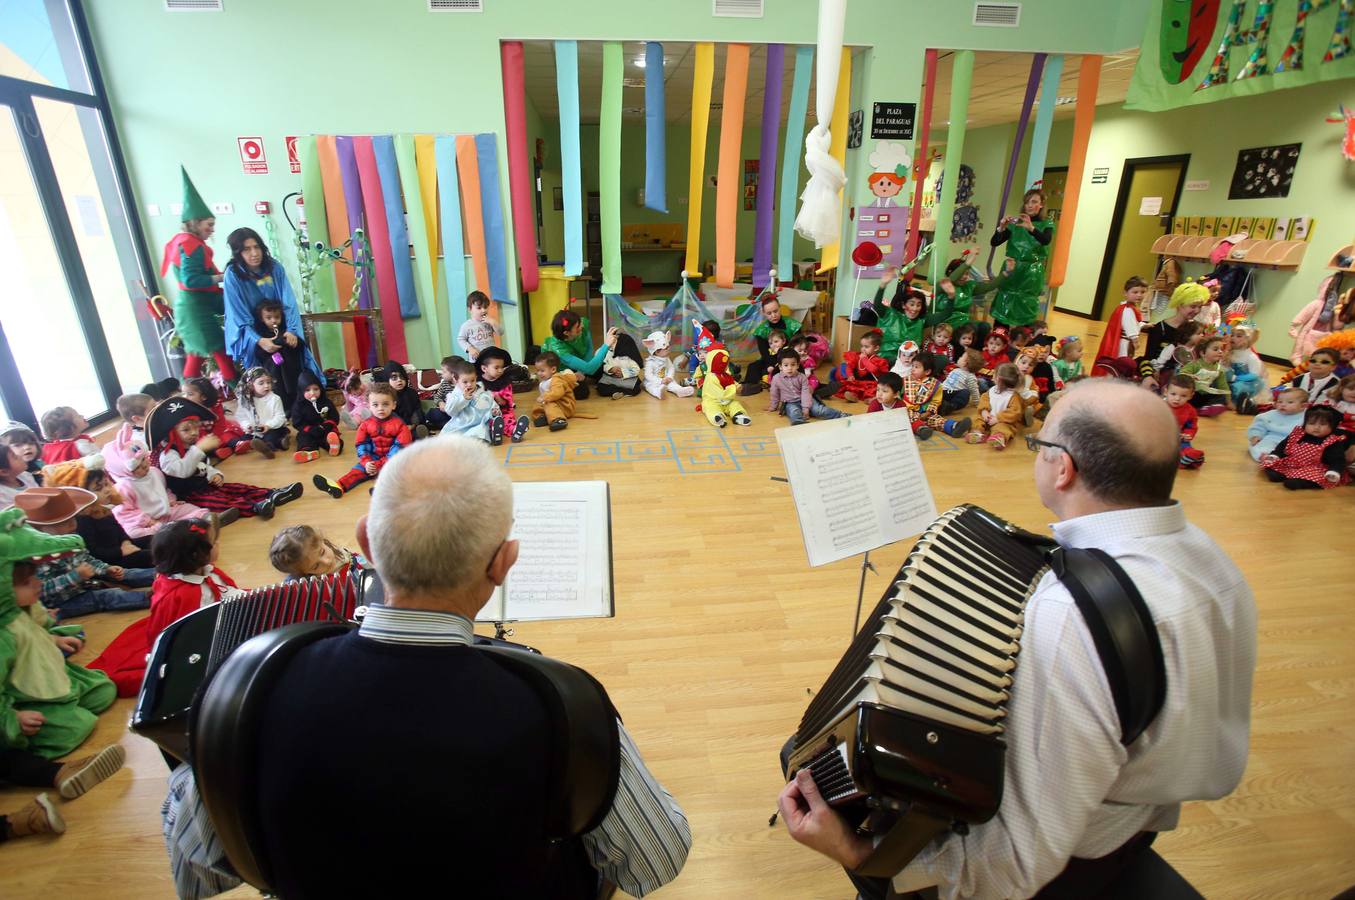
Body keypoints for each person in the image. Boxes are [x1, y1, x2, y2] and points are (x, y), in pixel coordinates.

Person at [779, 378, 1257, 899]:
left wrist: (862, 858)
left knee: (799, 761)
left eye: (1040, 445)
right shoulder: (1213, 561)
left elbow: (1018, 861)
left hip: (1074, 856)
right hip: (1138, 811)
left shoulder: (1067, 617)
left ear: (1063, 467)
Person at [161, 436, 691, 898]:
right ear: (502, 563)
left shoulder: (245, 689)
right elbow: (656, 862)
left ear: (366, 541)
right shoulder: (566, 705)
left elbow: (201, 871)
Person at [87, 518, 240, 697]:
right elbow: (184, 637)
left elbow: (226, 592)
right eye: (213, 543)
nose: (218, 544)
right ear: (196, 555)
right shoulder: (181, 595)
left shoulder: (206, 571)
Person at [0, 536, 119, 760]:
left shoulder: (23, 608)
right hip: (32, 694)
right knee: (76, 728)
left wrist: (54, 640)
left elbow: (36, 632)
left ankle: (69, 702)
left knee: (104, 690)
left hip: (54, 674)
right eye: (27, 583)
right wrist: (13, 717)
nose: (37, 584)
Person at [147, 398, 300, 520]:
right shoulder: (168, 455)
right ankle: (255, 506)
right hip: (191, 496)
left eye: (195, 428)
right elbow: (183, 470)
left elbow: (204, 466)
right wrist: (199, 449)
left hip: (207, 486)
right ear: (171, 433)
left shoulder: (192, 447)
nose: (194, 433)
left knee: (237, 488)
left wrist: (215, 474)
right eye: (186, 429)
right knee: (220, 502)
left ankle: (272, 494)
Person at [18, 488, 154, 621]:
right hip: (62, 602)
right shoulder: (35, 557)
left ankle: (165, 575)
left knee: (127, 573)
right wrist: (74, 576)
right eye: (65, 522)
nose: (73, 524)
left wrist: (106, 569)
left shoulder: (71, 538)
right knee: (107, 596)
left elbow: (86, 559)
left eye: (73, 519)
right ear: (41, 530)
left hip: (83, 583)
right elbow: (42, 591)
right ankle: (151, 598)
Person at [160, 168, 236, 381]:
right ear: (195, 222)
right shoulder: (191, 245)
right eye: (209, 225)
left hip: (194, 306)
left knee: (197, 353)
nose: (212, 229)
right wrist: (222, 278)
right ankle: (237, 391)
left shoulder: (186, 243)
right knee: (218, 349)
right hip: (195, 308)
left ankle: (189, 392)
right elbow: (191, 280)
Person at [222, 226, 320, 386]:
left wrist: (291, 330)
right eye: (247, 249)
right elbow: (237, 316)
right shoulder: (232, 275)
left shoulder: (274, 268)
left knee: (297, 370)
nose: (254, 253)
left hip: (281, 327)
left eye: (257, 247)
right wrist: (258, 340)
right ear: (238, 253)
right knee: (264, 380)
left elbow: (289, 303)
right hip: (255, 335)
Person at [313, 383, 412, 499]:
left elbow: (399, 449)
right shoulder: (365, 425)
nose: (380, 408)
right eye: (375, 404)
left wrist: (380, 464)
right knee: (356, 471)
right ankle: (338, 486)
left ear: (393, 405)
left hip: (393, 461)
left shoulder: (400, 426)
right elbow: (361, 445)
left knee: (398, 474)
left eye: (385, 404)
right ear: (369, 406)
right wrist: (367, 462)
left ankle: (382, 490)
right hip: (372, 459)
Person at [988, 189, 1054, 330]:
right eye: (1027, 202)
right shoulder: (1015, 224)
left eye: (1034, 202)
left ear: (1041, 205)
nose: (1029, 205)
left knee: (1026, 304)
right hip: (1012, 268)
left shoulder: (1047, 224)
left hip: (1031, 272)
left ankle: (1022, 343)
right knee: (1004, 302)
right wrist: (1001, 228)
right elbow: (994, 242)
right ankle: (998, 338)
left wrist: (1031, 228)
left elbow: (1046, 240)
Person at [1261, 404, 1348, 490]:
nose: (1316, 427)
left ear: (1332, 426)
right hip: (1292, 463)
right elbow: (1283, 446)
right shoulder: (1298, 434)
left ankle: (1302, 482)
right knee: (1273, 464)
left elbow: (1338, 460)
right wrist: (1276, 454)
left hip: (1315, 468)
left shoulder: (1332, 441)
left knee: (1316, 476)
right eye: (1311, 423)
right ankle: (1280, 475)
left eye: (1323, 424)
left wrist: (1334, 470)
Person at [541, 309, 620, 398]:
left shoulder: (581, 323)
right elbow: (590, 368)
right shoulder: (559, 349)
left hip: (580, 362)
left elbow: (589, 350)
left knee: (604, 371)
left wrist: (582, 371)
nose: (581, 326)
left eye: (580, 323)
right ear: (567, 333)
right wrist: (606, 345)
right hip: (563, 370)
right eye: (578, 327)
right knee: (582, 392)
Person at [182, 378, 261, 460]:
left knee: (227, 436)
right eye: (184, 394)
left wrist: (216, 437)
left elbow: (221, 424)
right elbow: (192, 429)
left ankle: (238, 444)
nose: (185, 397)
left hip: (219, 431)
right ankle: (221, 451)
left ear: (204, 397)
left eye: (190, 394)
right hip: (200, 436)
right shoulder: (188, 410)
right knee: (203, 446)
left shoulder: (215, 406)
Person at [742, 294, 803, 395]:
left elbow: (798, 347)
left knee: (797, 369)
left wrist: (785, 363)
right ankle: (752, 386)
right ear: (763, 313)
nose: (773, 315)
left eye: (776, 311)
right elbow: (764, 353)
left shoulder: (793, 325)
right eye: (769, 313)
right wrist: (775, 364)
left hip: (791, 359)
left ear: (780, 308)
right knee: (753, 367)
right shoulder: (761, 330)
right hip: (771, 359)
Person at [767, 350, 847, 426]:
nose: (790, 368)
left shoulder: (802, 377)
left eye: (793, 364)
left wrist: (806, 408)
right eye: (786, 365)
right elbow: (774, 393)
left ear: (798, 365)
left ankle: (840, 415)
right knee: (794, 412)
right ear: (780, 367)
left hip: (806, 399)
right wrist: (773, 406)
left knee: (818, 410)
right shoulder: (776, 378)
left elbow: (806, 393)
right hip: (789, 402)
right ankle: (799, 422)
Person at [903, 354, 970, 439]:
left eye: (916, 367)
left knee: (936, 419)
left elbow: (935, 401)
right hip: (909, 411)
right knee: (911, 418)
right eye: (912, 366)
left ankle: (954, 427)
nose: (912, 369)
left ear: (927, 371)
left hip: (925, 412)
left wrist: (928, 413)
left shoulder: (935, 384)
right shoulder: (905, 380)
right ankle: (921, 429)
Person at [439, 358, 506, 445]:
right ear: (456, 380)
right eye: (465, 382)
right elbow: (450, 411)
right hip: (460, 425)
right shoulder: (454, 395)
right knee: (448, 439)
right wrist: (464, 398)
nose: (469, 384)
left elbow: (490, 405)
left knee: (479, 433)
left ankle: (493, 434)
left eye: (472, 380)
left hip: (478, 424)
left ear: (476, 378)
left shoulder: (482, 392)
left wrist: (495, 412)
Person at [1093, 276, 1149, 378]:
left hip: (1125, 341)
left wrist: (1143, 324)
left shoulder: (1127, 307)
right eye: (1135, 292)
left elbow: (1134, 323)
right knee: (1123, 360)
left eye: (1142, 292)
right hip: (1125, 343)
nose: (1139, 295)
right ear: (1125, 293)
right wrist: (1135, 340)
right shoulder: (1128, 310)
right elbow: (1130, 327)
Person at [267, 524, 362, 581]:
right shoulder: (305, 587)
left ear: (322, 540)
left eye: (322, 552)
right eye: (315, 566)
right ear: (302, 573)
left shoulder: (347, 557)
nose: (327, 561)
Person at [475, 347, 530, 442]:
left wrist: (496, 397)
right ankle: (493, 433)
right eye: (496, 367)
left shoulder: (505, 382)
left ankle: (515, 430)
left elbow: (506, 404)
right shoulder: (477, 382)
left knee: (507, 420)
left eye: (502, 367)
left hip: (502, 411)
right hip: (483, 411)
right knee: (482, 422)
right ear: (484, 368)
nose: (500, 370)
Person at [966, 362, 1024, 451]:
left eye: (994, 373)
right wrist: (984, 411)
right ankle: (977, 433)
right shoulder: (993, 390)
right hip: (988, 418)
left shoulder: (1013, 396)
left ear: (999, 379)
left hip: (1003, 421)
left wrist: (998, 418)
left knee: (1003, 427)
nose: (992, 375)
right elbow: (984, 399)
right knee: (976, 418)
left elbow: (1015, 412)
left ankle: (999, 438)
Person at [234, 368, 291, 455]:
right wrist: (247, 426)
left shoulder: (275, 398)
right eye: (261, 383)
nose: (266, 386)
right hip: (255, 432)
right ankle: (254, 445)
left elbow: (280, 417)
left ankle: (273, 446)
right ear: (251, 385)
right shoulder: (245, 400)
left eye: (268, 382)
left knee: (271, 437)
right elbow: (241, 417)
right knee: (243, 438)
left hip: (272, 429)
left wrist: (268, 425)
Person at [290, 370, 343, 464]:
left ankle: (333, 446)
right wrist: (309, 429)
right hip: (308, 431)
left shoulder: (326, 402)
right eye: (307, 390)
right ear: (301, 391)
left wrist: (325, 426)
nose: (312, 393)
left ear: (320, 389)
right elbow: (297, 422)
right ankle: (308, 451)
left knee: (330, 435)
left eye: (315, 389)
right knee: (303, 438)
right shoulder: (298, 405)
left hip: (324, 428)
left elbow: (334, 417)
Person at [1246, 386, 1307, 462]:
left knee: (1303, 453)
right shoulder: (1270, 415)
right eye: (1280, 401)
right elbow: (1258, 426)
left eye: (1290, 402)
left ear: (1303, 406)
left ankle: (1283, 459)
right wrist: (1256, 435)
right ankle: (1266, 457)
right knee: (1259, 447)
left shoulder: (1307, 416)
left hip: (1294, 441)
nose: (1283, 405)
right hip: (1272, 438)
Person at [1178, 336, 1231, 416]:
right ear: (1203, 353)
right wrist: (1189, 376)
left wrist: (1228, 401)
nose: (1220, 351)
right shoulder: (1195, 364)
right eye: (1216, 349)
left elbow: (1223, 386)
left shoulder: (1219, 369)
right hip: (1193, 394)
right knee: (1189, 396)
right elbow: (1182, 373)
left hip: (1206, 394)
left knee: (1220, 396)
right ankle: (1198, 408)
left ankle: (1206, 409)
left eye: (1221, 349)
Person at [374, 361, 428, 439]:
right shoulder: (384, 396)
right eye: (394, 377)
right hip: (394, 427)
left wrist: (413, 425)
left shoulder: (411, 393)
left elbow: (417, 410)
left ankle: (419, 436)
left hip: (412, 425)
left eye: (402, 377)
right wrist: (401, 427)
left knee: (417, 431)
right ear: (387, 379)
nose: (399, 380)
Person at [531, 352, 581, 432]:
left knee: (548, 403)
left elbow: (557, 393)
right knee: (539, 404)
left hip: (565, 405)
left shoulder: (556, 380)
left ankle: (558, 420)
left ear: (553, 369)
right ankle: (542, 416)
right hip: (557, 404)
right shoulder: (545, 380)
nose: (539, 373)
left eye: (542, 370)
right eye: (538, 370)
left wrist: (545, 397)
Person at [1163, 375, 1205, 469]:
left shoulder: (1190, 411)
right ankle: (1182, 459)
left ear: (1191, 396)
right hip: (1159, 438)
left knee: (1185, 446)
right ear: (1166, 392)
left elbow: (1190, 426)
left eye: (1183, 396)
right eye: (1173, 394)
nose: (1177, 399)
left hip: (1179, 438)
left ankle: (1190, 457)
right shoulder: (1158, 405)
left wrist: (1187, 434)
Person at [457, 291, 503, 361]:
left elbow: (501, 332)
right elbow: (460, 339)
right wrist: (470, 349)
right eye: (479, 308)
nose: (483, 310)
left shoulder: (489, 321)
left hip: (491, 358)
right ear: (470, 309)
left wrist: (493, 323)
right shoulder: (466, 325)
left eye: (485, 307)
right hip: (476, 359)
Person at [939, 348, 982, 415]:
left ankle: (950, 406)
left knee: (965, 393)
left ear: (965, 363)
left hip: (952, 394)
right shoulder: (956, 370)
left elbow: (974, 390)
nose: (959, 357)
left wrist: (977, 403)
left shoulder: (970, 376)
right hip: (941, 391)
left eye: (962, 357)